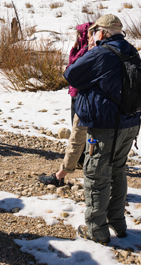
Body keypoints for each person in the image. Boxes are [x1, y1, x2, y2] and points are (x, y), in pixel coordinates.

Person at [64, 14, 141, 245]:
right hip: (130, 122)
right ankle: (118, 223)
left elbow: (71, 75)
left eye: (96, 31)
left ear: (102, 32)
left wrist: (91, 49)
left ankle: (97, 230)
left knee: (96, 175)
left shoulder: (101, 53)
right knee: (117, 170)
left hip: (106, 125)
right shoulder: (131, 49)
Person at [39, 22, 93, 186]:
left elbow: (71, 70)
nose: (78, 35)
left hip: (82, 96)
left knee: (78, 132)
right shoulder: (82, 48)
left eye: (80, 33)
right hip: (77, 93)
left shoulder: (88, 51)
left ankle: (71, 168)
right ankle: (81, 160)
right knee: (77, 129)